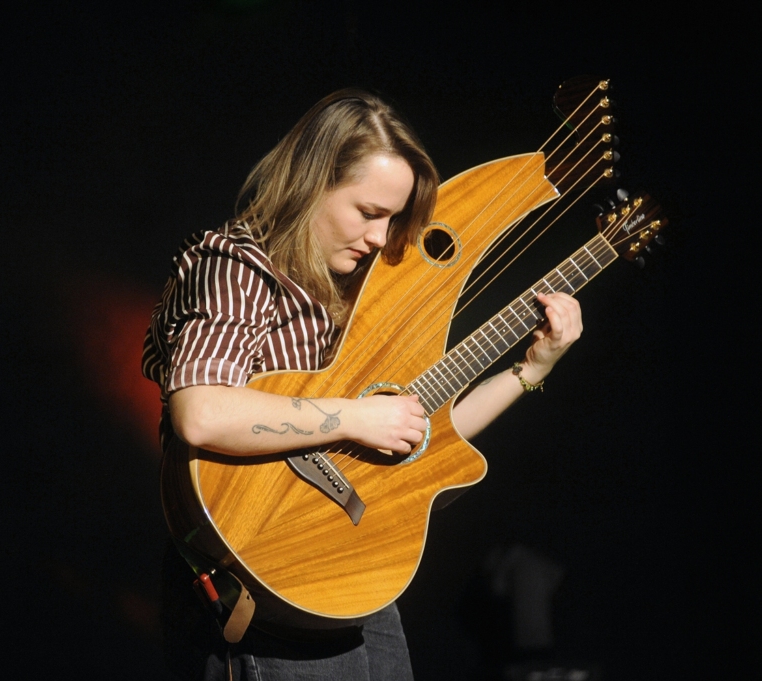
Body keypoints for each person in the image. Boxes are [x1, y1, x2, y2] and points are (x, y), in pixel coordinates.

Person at [142, 89, 583, 680]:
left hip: (351, 579)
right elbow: (199, 413)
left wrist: (532, 370)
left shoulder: (349, 295)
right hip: (265, 575)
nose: (381, 237)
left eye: (393, 219)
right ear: (311, 182)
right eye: (369, 212)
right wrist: (353, 417)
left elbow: (424, 439)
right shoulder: (236, 266)